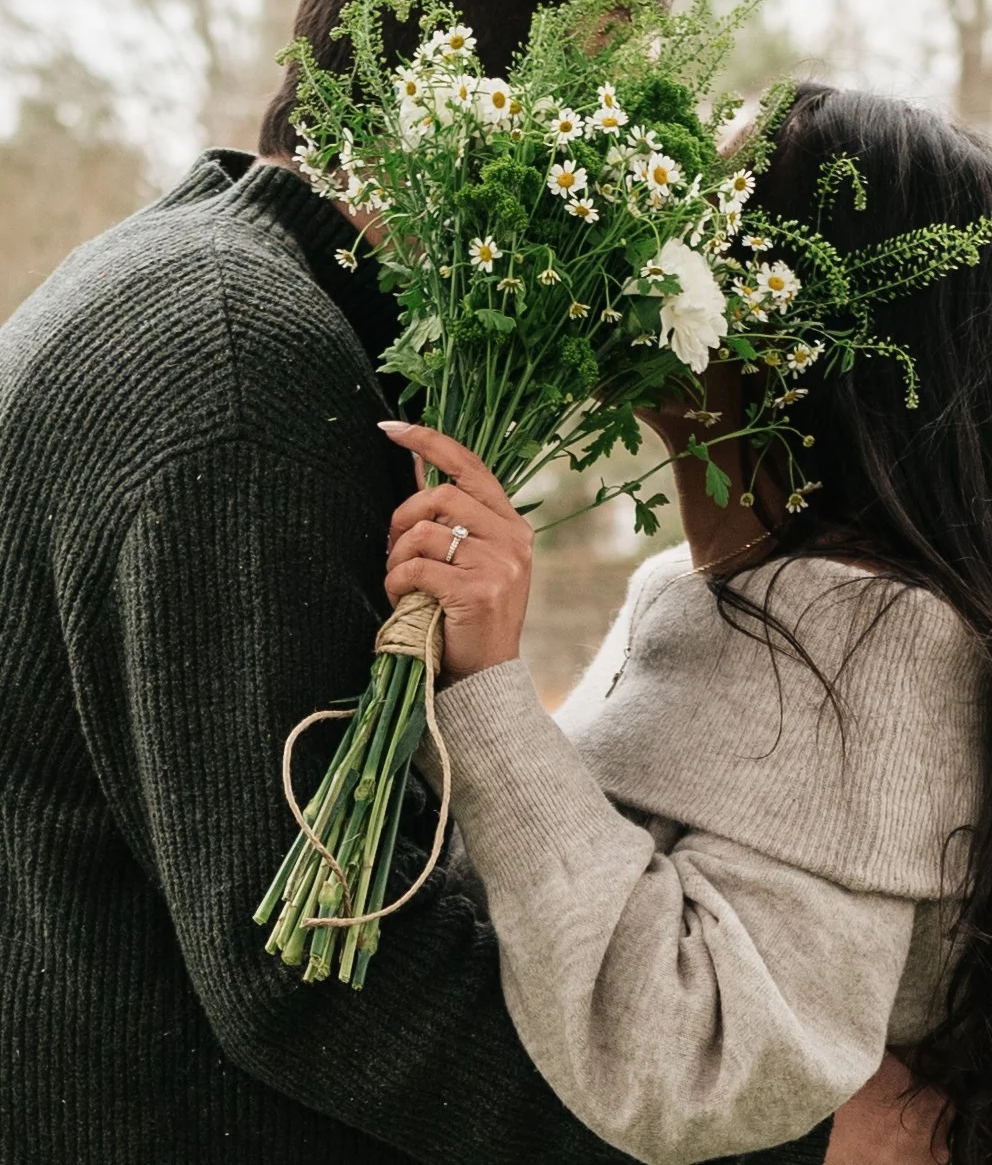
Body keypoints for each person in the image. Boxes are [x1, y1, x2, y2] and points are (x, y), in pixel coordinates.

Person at [0, 0, 839, 1165]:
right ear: (460, 123)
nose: (613, 224)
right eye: (597, 147)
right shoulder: (242, 370)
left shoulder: (206, 286)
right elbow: (324, 973)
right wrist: (758, 1139)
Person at [379, 83, 992, 1163]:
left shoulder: (875, 641)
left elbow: (698, 1063)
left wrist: (487, 698)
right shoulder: (690, 583)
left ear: (789, 323)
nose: (631, 233)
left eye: (692, 215)